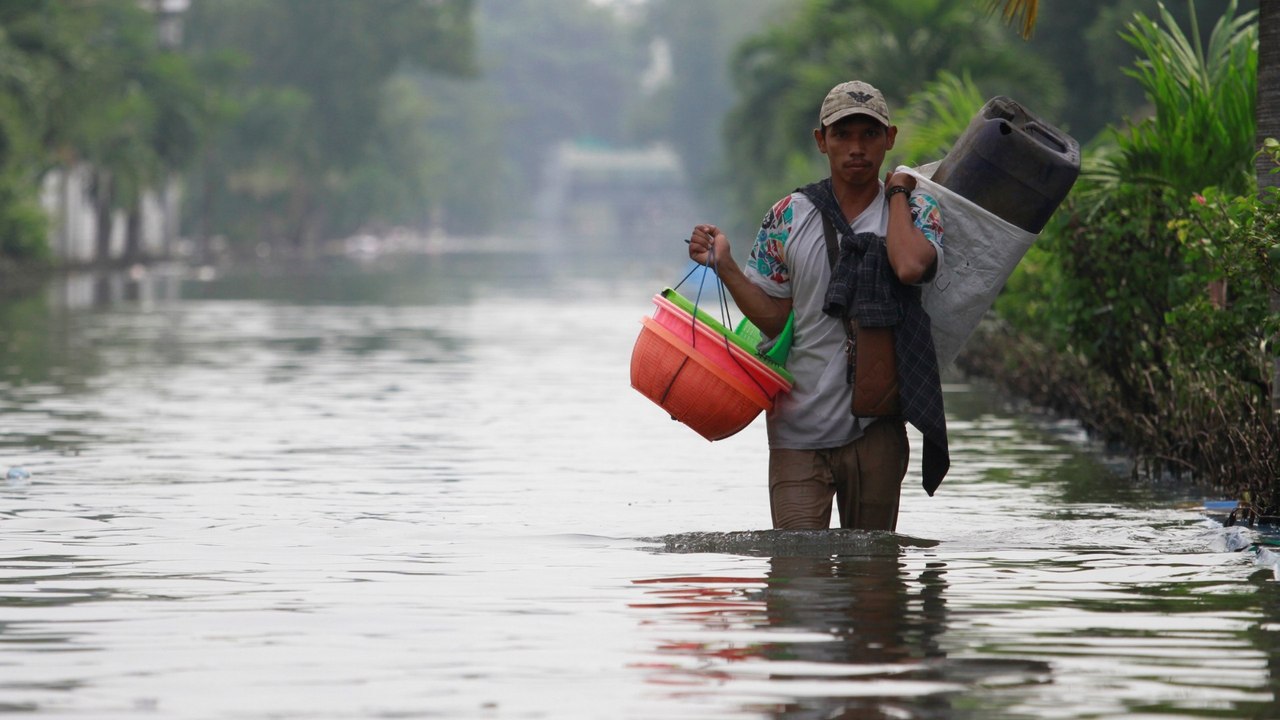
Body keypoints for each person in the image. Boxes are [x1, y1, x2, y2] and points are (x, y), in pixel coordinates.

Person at [687, 80, 949, 531]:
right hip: (796, 432)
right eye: (843, 134)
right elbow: (778, 320)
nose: (856, 148)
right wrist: (725, 266)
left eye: (870, 135)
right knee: (795, 580)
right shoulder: (788, 215)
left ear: (890, 139)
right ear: (821, 141)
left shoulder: (915, 210)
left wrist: (901, 190)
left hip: (876, 430)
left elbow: (909, 266)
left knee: (872, 582)